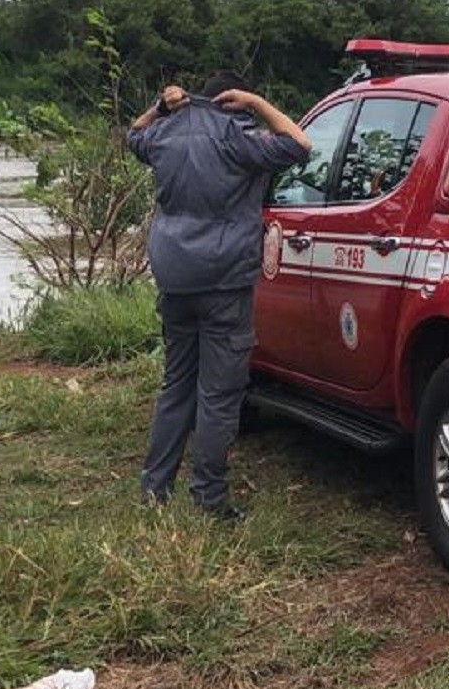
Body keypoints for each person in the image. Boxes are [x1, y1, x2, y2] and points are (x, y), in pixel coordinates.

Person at [128, 71, 312, 519]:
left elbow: (133, 134)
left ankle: (155, 488)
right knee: (218, 394)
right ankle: (209, 498)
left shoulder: (164, 134)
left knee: (177, 385)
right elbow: (300, 144)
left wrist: (161, 107)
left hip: (174, 277)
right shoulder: (240, 138)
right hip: (224, 280)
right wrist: (258, 103)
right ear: (231, 100)